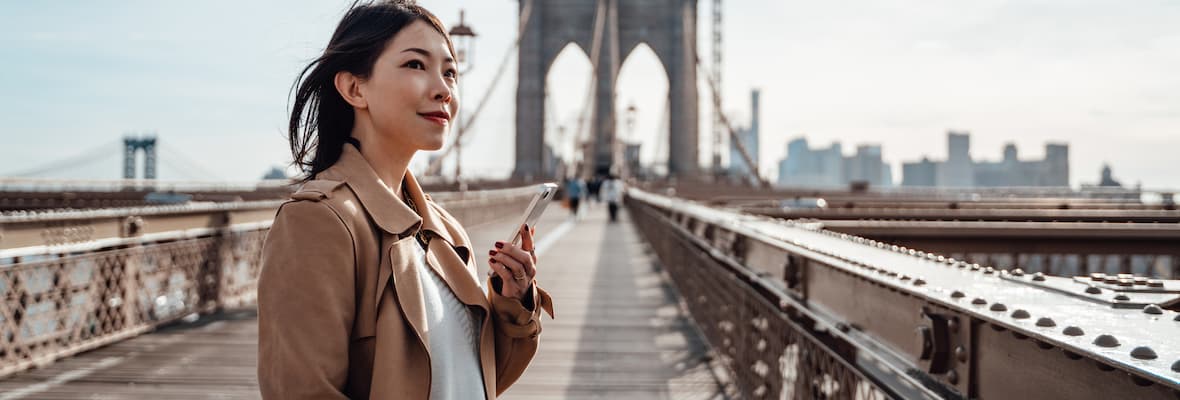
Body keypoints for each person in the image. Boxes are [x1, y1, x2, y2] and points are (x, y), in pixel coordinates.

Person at [257, 2, 553, 399]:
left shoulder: (444, 230)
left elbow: (473, 378)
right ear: (353, 88)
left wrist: (511, 303)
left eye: (450, 72)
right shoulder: (318, 222)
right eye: (416, 65)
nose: (443, 89)